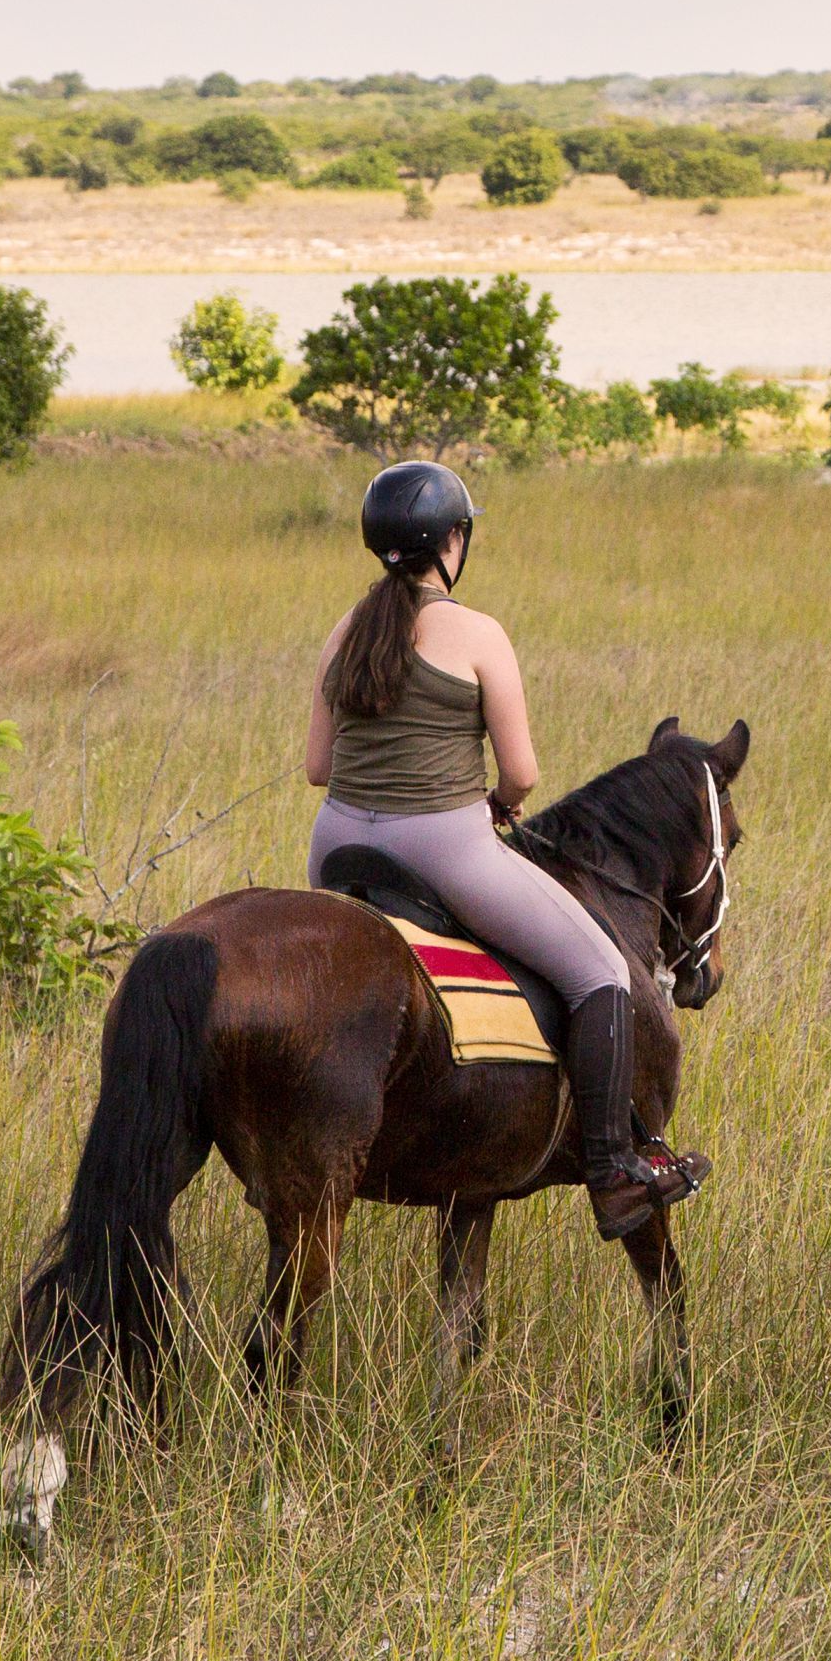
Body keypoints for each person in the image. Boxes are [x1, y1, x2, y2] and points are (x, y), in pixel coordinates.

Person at [306, 459, 707, 1241]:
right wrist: (501, 806)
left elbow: (317, 769)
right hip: (444, 846)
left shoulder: (343, 632)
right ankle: (614, 1173)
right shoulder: (477, 631)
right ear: (453, 541)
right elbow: (521, 772)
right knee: (598, 975)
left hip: (337, 847)